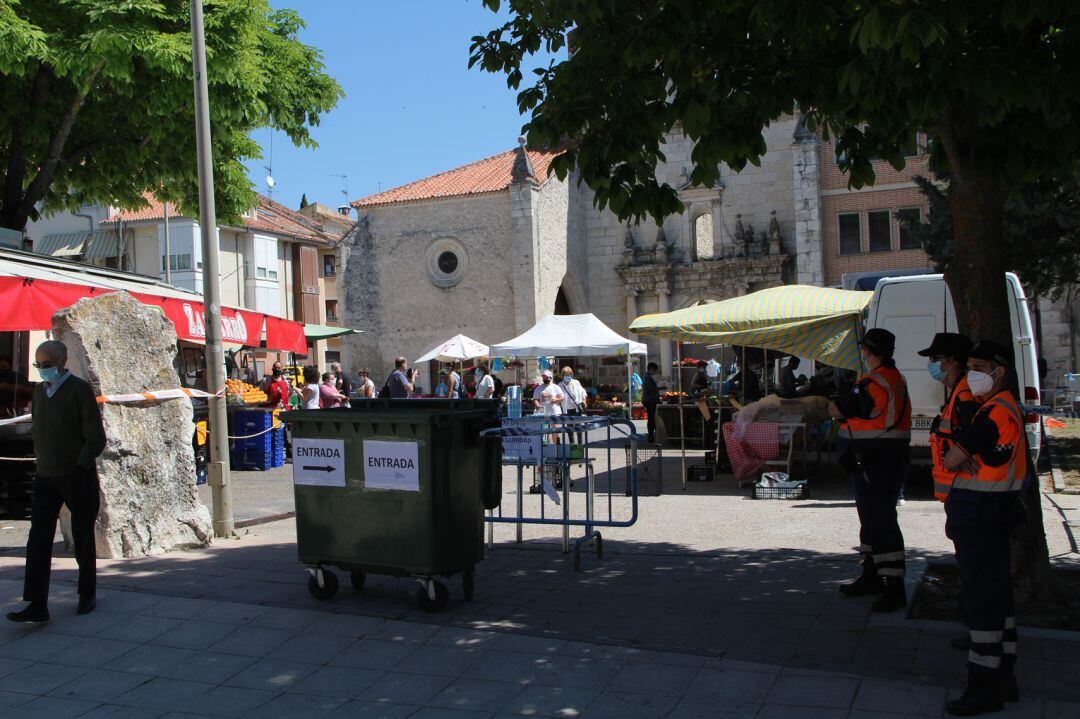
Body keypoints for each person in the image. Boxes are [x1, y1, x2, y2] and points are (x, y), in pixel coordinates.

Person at [940, 340, 1027, 715]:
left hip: (982, 516)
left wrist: (959, 455)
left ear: (999, 371)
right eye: (970, 365)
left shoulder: (994, 412)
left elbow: (953, 456)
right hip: (992, 514)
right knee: (998, 598)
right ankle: (1004, 678)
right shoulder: (999, 408)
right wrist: (961, 455)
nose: (972, 373)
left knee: (982, 604)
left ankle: (984, 684)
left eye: (979, 366)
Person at [7, 341, 106, 623]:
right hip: (46, 474)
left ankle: (87, 593)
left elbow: (95, 437)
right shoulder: (40, 392)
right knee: (38, 539)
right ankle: (36, 603)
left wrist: (81, 464)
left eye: (47, 365)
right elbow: (40, 426)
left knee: (83, 535)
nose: (42, 371)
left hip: (75, 474)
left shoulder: (78, 390)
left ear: (63, 362)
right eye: (39, 365)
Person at [829, 327, 911, 612]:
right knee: (874, 519)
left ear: (867, 350)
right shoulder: (894, 377)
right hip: (884, 458)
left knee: (880, 521)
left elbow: (838, 409)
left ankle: (892, 585)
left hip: (874, 460)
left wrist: (840, 398)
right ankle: (873, 573)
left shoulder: (874, 382)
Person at [920, 333, 978, 503]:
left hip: (965, 487)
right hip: (959, 485)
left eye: (935, 358)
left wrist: (961, 457)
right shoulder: (960, 390)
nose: (931, 363)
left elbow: (973, 436)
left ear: (952, 360)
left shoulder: (965, 394)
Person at [559, 366, 588, 444]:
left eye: (569, 375)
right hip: (567, 410)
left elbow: (583, 392)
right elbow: (558, 396)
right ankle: (572, 446)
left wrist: (584, 400)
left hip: (577, 409)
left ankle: (580, 445)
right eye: (566, 375)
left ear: (571, 375)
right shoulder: (560, 385)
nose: (568, 377)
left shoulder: (576, 382)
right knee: (570, 428)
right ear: (562, 376)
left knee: (579, 427)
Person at [642, 362, 660, 444]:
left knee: (651, 418)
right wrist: (660, 388)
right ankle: (651, 435)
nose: (655, 372)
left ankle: (651, 435)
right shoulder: (647, 377)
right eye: (654, 370)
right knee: (651, 418)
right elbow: (651, 389)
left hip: (650, 400)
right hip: (649, 400)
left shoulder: (648, 377)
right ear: (651, 369)